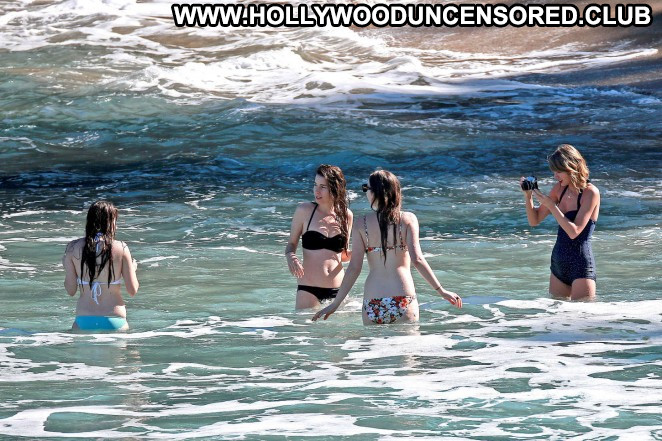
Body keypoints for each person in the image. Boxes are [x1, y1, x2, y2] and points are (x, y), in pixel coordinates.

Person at [312, 170, 462, 324]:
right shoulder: (408, 219)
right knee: (407, 340)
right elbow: (417, 260)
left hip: (372, 302)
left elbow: (354, 268)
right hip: (403, 299)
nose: (365, 192)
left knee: (375, 341)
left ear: (375, 193)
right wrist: (441, 291)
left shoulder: (361, 224)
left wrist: (336, 304)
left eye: (366, 188)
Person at [521, 144, 600, 300]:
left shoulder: (591, 192)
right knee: (555, 313)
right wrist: (528, 196)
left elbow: (574, 232)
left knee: (582, 314)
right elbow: (534, 220)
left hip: (581, 265)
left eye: (558, 172)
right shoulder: (559, 189)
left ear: (572, 168)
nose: (555, 176)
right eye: (554, 172)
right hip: (558, 263)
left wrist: (552, 206)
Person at [62, 201, 139, 331]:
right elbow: (132, 290)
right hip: (115, 320)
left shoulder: (72, 248)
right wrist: (133, 269)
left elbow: (71, 291)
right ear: (110, 222)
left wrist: (67, 268)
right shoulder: (121, 248)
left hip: (84, 320)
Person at [286, 165, 353, 309]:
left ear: (335, 188)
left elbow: (342, 255)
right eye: (315, 185)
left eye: (323, 187)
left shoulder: (346, 215)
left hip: (338, 290)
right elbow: (291, 245)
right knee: (303, 324)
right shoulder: (304, 210)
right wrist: (290, 256)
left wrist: (364, 250)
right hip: (308, 288)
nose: (317, 191)